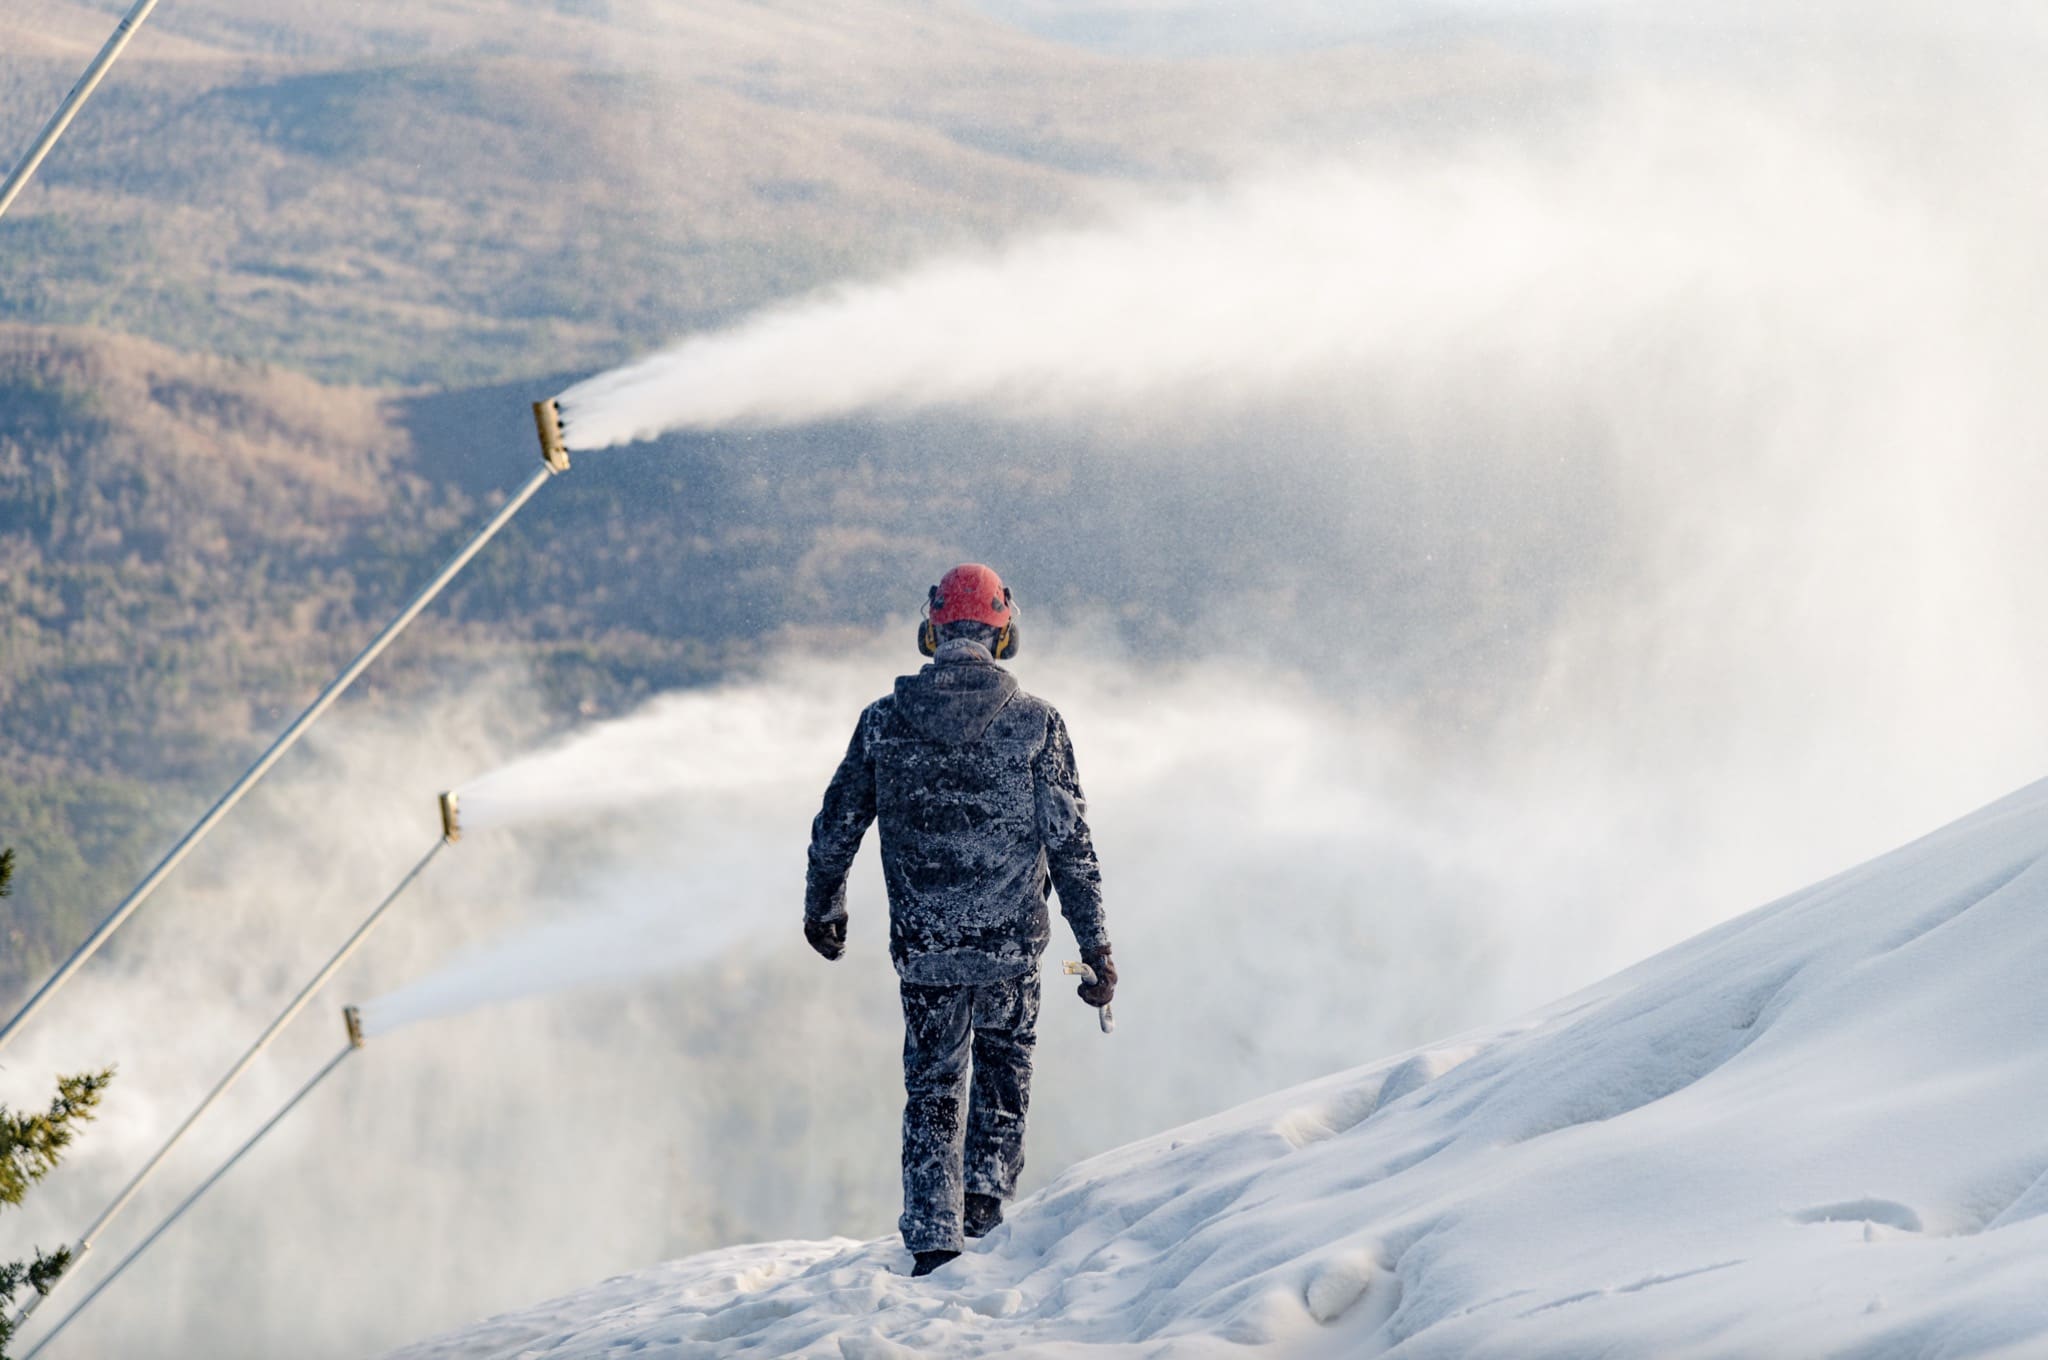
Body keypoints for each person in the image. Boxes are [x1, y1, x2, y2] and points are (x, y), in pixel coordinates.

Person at [804, 562, 1115, 1277]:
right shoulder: (1038, 724)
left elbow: (836, 827)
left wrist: (825, 909)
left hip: (926, 955)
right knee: (1004, 1075)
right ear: (1003, 634)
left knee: (934, 1088)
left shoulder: (883, 724)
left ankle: (935, 1244)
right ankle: (984, 1213)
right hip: (1010, 955)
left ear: (932, 630)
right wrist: (1095, 948)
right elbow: (1072, 848)